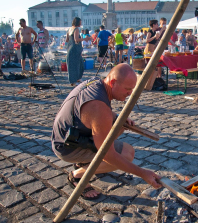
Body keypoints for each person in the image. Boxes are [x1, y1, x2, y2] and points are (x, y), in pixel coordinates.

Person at [51, 64, 162, 200]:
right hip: (67, 146)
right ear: (113, 82)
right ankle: (78, 175)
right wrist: (143, 173)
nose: (130, 93)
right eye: (127, 89)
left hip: (70, 135)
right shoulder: (99, 107)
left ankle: (84, 162)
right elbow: (108, 155)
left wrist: (117, 117)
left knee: (119, 125)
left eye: (132, 89)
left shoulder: (97, 82)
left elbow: (97, 111)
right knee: (127, 154)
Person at [65, 17, 89, 86]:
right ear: (78, 22)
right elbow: (76, 39)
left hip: (70, 47)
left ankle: (74, 80)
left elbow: (67, 40)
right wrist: (85, 38)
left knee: (72, 65)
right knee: (78, 64)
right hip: (75, 48)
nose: (81, 23)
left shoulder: (69, 29)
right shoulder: (76, 29)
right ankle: (77, 79)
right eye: (80, 22)